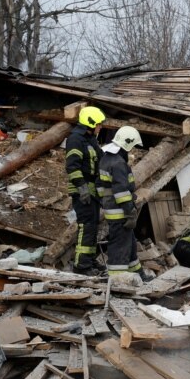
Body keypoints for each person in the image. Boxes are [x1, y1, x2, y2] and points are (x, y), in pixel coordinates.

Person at [97, 126, 144, 278]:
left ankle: (137, 274)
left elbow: (100, 187)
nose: (132, 150)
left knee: (129, 244)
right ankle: (118, 278)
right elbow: (122, 192)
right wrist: (130, 212)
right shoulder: (118, 164)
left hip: (112, 209)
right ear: (128, 143)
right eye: (133, 146)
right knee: (119, 246)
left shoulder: (106, 159)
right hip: (120, 212)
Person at [65, 106, 104, 275]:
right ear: (90, 123)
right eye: (99, 124)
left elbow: (100, 159)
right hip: (82, 191)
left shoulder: (91, 139)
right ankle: (82, 266)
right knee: (86, 227)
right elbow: (72, 166)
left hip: (92, 190)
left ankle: (90, 259)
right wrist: (82, 188)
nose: (100, 127)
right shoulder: (75, 139)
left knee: (93, 226)